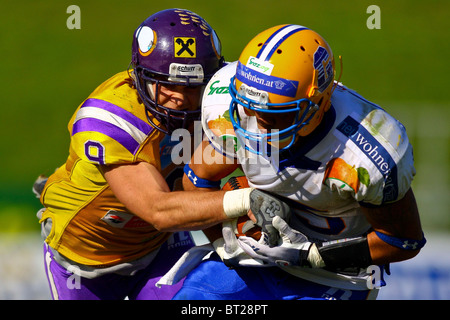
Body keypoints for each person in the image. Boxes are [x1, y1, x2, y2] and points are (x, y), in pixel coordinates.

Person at [173, 24, 425, 300]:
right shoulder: (226, 108)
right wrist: (224, 243)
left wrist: (312, 256)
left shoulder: (365, 153)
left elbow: (402, 241)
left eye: (275, 112)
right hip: (253, 261)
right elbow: (196, 181)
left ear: (318, 103)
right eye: (249, 107)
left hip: (336, 276)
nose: (259, 122)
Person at [34, 8, 272, 300]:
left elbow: (205, 175)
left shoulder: (216, 100)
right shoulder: (110, 119)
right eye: (168, 84)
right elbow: (158, 210)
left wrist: (232, 240)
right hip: (84, 258)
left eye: (193, 86)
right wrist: (247, 199)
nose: (182, 98)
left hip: (159, 248)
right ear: (140, 77)